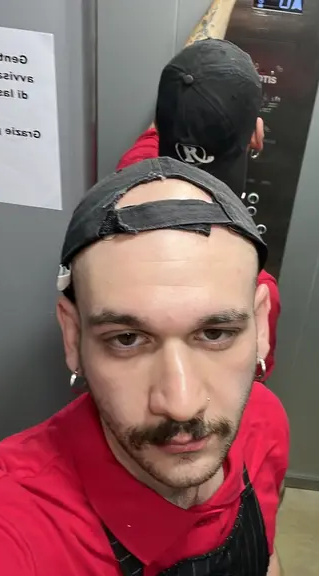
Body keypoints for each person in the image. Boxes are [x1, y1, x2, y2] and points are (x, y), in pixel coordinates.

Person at [0, 158, 290, 576]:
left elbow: (264, 566)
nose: (181, 403)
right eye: (127, 339)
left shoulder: (265, 422)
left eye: (216, 333)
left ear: (261, 329)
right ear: (73, 337)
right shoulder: (8, 533)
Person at [117, 0, 281, 380]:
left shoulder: (130, 173)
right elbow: (249, 382)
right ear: (256, 135)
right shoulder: (256, 289)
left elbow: (162, 123)